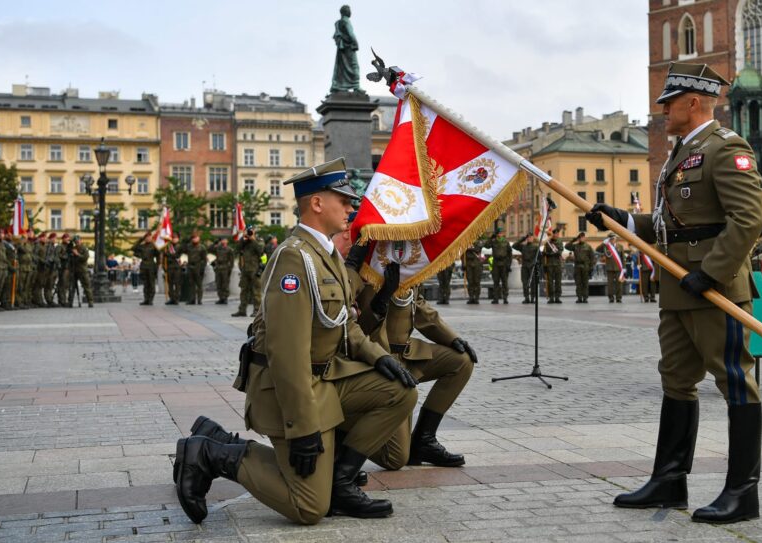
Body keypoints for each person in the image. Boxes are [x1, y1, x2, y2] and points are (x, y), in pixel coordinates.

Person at [174, 157, 417, 525]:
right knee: (308, 508)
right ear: (317, 203)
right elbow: (286, 355)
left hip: (323, 380)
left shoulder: (327, 253)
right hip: (289, 390)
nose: (352, 206)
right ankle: (210, 453)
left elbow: (340, 322)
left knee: (399, 390)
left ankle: (340, 481)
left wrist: (377, 356)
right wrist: (303, 429)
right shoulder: (294, 259)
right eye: (343, 199)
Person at [586, 62, 762, 524]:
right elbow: (669, 225)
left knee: (733, 381)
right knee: (676, 380)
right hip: (679, 289)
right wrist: (620, 220)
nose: (663, 109)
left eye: (669, 102)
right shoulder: (680, 153)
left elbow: (749, 219)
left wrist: (711, 273)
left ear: (693, 102)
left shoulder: (726, 149)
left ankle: (742, 492)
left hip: (714, 289)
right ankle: (670, 480)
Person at [346, 245, 476, 470]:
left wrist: (452, 338)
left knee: (461, 360)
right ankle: (342, 430)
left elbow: (417, 304)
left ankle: (424, 439)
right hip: (378, 360)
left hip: (407, 353)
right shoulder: (365, 265)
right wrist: (381, 298)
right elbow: (354, 328)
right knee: (395, 458)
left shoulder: (405, 258)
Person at [232, 228, 264, 317]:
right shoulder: (244, 242)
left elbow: (260, 251)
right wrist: (242, 239)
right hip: (245, 269)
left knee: (256, 291)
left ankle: (257, 310)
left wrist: (253, 240)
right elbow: (236, 250)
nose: (249, 233)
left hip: (255, 270)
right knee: (243, 290)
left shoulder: (258, 241)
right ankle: (242, 310)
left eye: (251, 231)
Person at [131, 232, 159, 306]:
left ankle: (150, 299)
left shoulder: (154, 246)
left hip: (151, 266)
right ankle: (146, 299)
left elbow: (158, 256)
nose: (148, 238)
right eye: (146, 237)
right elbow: (133, 248)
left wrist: (158, 265)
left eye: (149, 237)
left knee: (151, 284)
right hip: (143, 266)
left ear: (151, 237)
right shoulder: (142, 246)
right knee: (145, 284)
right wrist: (140, 239)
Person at [565, 232, 594, 303]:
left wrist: (591, 267)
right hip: (577, 266)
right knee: (578, 283)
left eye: (583, 237)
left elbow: (592, 258)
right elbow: (566, 246)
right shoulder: (575, 246)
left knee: (585, 283)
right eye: (580, 237)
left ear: (585, 238)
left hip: (585, 267)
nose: (582, 238)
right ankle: (579, 297)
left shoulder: (588, 246)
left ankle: (585, 298)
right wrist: (574, 240)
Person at [484, 229, 512, 304]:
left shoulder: (506, 242)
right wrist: (490, 238)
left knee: (504, 282)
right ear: (497, 234)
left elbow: (510, 254)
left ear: (503, 234)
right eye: (499, 233)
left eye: (501, 233)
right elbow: (486, 246)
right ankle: (496, 298)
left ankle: (505, 297)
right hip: (496, 263)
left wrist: (509, 264)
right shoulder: (493, 241)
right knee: (496, 282)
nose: (500, 234)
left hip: (504, 263)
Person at [597, 234, 625, 303]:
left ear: (616, 239)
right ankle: (611, 298)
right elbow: (597, 249)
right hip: (610, 268)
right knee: (610, 284)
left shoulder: (620, 246)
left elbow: (622, 258)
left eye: (613, 238)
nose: (612, 240)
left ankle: (619, 298)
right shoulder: (606, 246)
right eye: (611, 239)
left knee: (619, 284)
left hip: (618, 268)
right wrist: (603, 243)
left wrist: (624, 268)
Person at [67, 236, 94, 308]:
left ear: (81, 241)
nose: (77, 242)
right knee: (72, 287)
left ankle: (90, 301)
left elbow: (85, 258)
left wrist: (77, 254)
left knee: (86, 286)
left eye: (78, 241)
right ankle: (70, 301)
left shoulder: (84, 248)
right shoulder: (73, 248)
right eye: (75, 241)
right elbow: (68, 255)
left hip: (82, 270)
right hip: (74, 269)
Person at [513, 233, 540, 303]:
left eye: (530, 237)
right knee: (525, 283)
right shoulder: (523, 247)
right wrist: (522, 239)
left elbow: (540, 257)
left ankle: (533, 298)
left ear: (533, 238)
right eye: (528, 237)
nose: (529, 238)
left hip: (532, 267)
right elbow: (514, 246)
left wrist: (538, 267)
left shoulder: (536, 247)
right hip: (525, 267)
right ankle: (526, 297)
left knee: (533, 283)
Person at [183, 232, 209, 305]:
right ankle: (192, 299)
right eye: (193, 238)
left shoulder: (202, 247)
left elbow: (204, 259)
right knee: (191, 284)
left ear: (199, 238)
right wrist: (186, 240)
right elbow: (183, 250)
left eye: (196, 237)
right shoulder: (189, 246)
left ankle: (199, 299)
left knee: (199, 284)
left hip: (198, 266)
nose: (195, 239)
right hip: (190, 266)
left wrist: (202, 268)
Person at [209, 237, 235, 305]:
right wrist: (215, 243)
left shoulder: (229, 250)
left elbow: (232, 260)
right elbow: (209, 249)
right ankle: (220, 298)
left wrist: (230, 269)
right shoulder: (218, 248)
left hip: (225, 267)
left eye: (224, 240)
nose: (223, 241)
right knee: (218, 283)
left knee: (225, 284)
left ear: (227, 241)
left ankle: (225, 298)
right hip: (218, 268)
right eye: (222, 240)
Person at [542, 228, 564, 303]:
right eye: (555, 234)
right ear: (552, 234)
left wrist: (548, 254)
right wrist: (544, 264)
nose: (556, 235)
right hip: (549, 264)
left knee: (558, 281)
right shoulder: (547, 242)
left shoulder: (559, 242)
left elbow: (559, 252)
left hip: (557, 264)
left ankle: (557, 297)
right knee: (550, 282)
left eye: (557, 234)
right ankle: (551, 297)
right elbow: (543, 254)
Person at [162, 232, 183, 305]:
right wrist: (164, 267)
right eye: (173, 238)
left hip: (177, 267)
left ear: (178, 238)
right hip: (169, 267)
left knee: (177, 283)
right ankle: (172, 298)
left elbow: (176, 255)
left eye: (175, 238)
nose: (174, 239)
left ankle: (176, 298)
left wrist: (167, 254)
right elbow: (164, 258)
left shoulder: (180, 246)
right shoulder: (167, 247)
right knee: (170, 284)